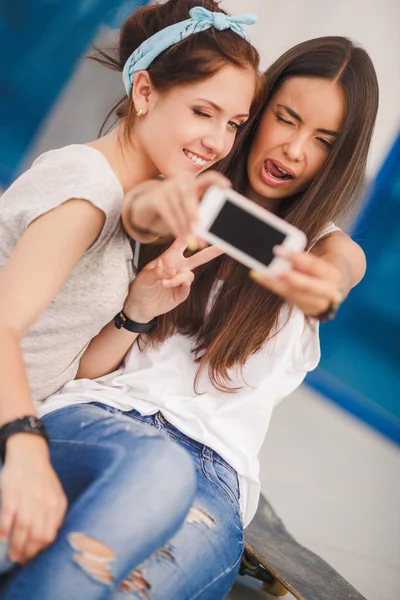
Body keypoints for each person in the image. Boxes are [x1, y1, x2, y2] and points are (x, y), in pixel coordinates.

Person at [1, 36, 378, 600]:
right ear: (259, 110)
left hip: (214, 484)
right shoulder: (183, 188)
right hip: (99, 423)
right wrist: (153, 242)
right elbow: (140, 211)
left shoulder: (326, 250)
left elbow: (339, 271)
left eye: (323, 140)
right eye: (286, 119)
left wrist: (322, 290)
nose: (295, 150)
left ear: (341, 157)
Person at [0, 0, 262, 590]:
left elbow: (69, 361)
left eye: (235, 123)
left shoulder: (123, 201)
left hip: (24, 419)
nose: (219, 140)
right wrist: (24, 451)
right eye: (204, 111)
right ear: (144, 92)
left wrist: (136, 311)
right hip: (12, 429)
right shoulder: (88, 189)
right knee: (156, 467)